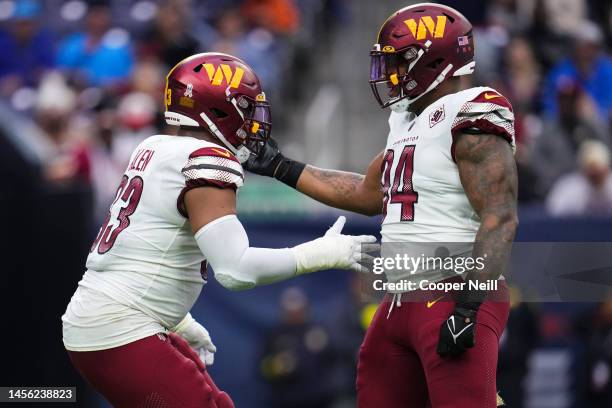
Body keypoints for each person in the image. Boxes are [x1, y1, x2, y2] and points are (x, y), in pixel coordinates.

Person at [61, 52, 376, 408]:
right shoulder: (206, 159)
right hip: (122, 330)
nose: (253, 118)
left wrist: (176, 318)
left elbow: (140, 250)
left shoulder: (153, 147)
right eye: (246, 106)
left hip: (100, 321)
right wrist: (322, 253)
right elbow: (235, 270)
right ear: (219, 109)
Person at [246, 4, 518, 407]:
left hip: (450, 293)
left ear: (436, 59)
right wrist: (281, 167)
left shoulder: (472, 110)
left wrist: (468, 307)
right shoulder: (408, 120)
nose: (391, 73)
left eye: (401, 60)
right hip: (396, 302)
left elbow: (500, 216)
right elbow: (368, 194)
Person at [546, 140, 612, 216]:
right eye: (591, 170)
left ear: (607, 169)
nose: (595, 174)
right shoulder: (568, 189)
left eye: (598, 170)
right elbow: (553, 215)